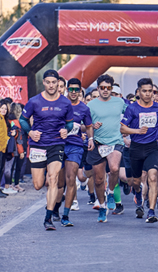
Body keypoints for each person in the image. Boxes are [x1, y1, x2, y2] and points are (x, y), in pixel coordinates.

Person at [20, 69, 74, 230]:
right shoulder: (34, 101)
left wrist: (66, 129)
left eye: (54, 82)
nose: (51, 85)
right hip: (37, 145)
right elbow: (23, 120)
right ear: (44, 83)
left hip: (56, 144)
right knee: (38, 184)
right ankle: (50, 206)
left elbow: (70, 122)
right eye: (48, 82)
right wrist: (30, 131)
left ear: (58, 83)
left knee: (53, 178)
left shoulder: (65, 103)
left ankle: (48, 217)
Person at [121, 78, 158, 223]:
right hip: (136, 147)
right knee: (136, 181)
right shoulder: (132, 108)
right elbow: (122, 128)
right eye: (145, 91)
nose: (148, 94)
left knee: (152, 177)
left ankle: (151, 212)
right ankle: (138, 192)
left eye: (150, 91)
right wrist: (137, 131)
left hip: (152, 147)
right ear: (139, 92)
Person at [87, 74, 127, 223]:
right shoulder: (91, 105)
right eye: (102, 88)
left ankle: (111, 193)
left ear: (112, 88)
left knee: (115, 168)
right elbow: (85, 125)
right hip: (98, 143)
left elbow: (130, 114)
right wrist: (91, 127)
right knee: (98, 180)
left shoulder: (119, 102)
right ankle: (103, 207)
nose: (105, 90)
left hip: (115, 141)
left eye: (108, 88)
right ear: (98, 89)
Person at [61, 78, 94, 226]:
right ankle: (55, 208)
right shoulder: (59, 103)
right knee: (56, 181)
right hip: (58, 144)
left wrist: (91, 138)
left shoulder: (84, 108)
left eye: (76, 90)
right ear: (67, 89)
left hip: (75, 145)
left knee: (71, 178)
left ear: (80, 91)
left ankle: (66, 215)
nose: (73, 92)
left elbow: (88, 126)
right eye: (71, 89)